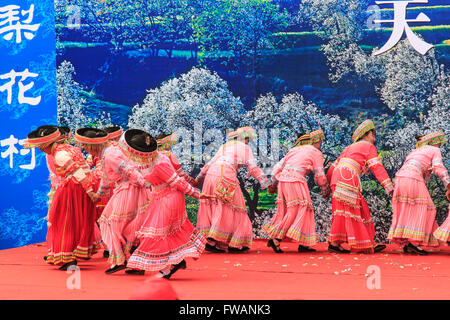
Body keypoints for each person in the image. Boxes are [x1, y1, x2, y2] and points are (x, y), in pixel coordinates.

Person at [126, 144, 214, 278]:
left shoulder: (160, 162)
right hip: (157, 197)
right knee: (164, 233)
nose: (134, 155)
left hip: (170, 197)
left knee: (158, 232)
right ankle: (176, 262)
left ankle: (167, 269)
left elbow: (177, 181)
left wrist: (196, 193)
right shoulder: (143, 162)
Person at [24, 125, 99, 271]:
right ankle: (70, 255)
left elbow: (78, 172)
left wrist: (90, 192)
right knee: (72, 222)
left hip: (71, 190)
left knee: (62, 222)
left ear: (46, 144)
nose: (40, 149)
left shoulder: (59, 155)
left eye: (40, 146)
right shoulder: (68, 149)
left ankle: (67, 258)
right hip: (77, 188)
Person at [194, 127, 269, 253]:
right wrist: (265, 182)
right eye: (247, 139)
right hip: (226, 176)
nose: (248, 141)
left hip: (211, 176)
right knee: (235, 207)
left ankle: (212, 241)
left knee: (213, 205)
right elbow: (252, 167)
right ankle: (234, 243)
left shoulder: (225, 146)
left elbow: (209, 164)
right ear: (244, 138)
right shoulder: (245, 148)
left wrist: (199, 179)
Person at [326, 120, 394, 254]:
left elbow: (332, 168)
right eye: (373, 135)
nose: (374, 139)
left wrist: (328, 186)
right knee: (354, 210)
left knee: (346, 209)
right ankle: (360, 244)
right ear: (367, 134)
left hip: (337, 176)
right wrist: (388, 185)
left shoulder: (349, 148)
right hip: (349, 176)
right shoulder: (368, 146)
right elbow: (376, 166)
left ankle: (337, 242)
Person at [263, 130, 330, 253]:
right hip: (296, 180)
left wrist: (273, 182)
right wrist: (325, 188)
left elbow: (278, 166)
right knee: (299, 209)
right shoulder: (316, 152)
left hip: (283, 180)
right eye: (321, 142)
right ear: (316, 141)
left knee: (294, 209)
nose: (321, 145)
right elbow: (319, 174)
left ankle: (304, 244)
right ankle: (276, 238)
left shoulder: (294, 150)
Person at [96, 129, 153, 274]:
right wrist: (99, 194)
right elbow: (107, 178)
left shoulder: (111, 154)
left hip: (129, 190)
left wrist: (145, 183)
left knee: (111, 223)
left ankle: (120, 259)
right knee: (132, 226)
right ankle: (136, 263)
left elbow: (129, 171)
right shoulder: (113, 151)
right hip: (135, 190)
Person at [388, 132, 450, 254]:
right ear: (434, 142)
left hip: (400, 179)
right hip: (413, 178)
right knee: (428, 209)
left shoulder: (415, 151)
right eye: (440, 143)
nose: (440, 146)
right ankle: (413, 242)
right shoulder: (434, 149)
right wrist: (448, 183)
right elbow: (438, 167)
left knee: (407, 209)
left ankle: (407, 242)